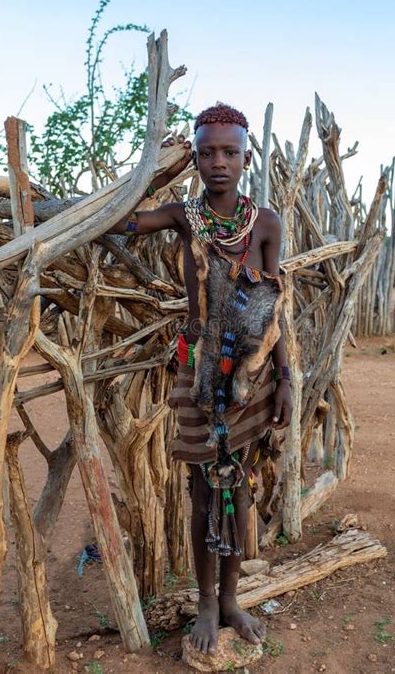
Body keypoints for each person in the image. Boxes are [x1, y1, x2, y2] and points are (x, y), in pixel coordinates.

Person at [109, 103, 292, 654]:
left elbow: (272, 305)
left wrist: (284, 379)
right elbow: (124, 220)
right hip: (200, 370)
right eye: (207, 151)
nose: (219, 162)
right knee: (200, 493)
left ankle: (232, 599)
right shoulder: (184, 215)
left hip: (252, 374)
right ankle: (207, 602)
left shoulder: (265, 224)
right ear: (194, 155)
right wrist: (151, 172)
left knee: (237, 486)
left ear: (245, 157)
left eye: (230, 152)